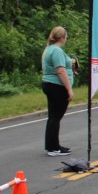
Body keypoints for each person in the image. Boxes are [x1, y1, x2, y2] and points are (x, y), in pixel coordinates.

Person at [42, 26, 75, 156]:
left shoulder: (48, 49)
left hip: (49, 84)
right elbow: (60, 70)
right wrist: (69, 89)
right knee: (56, 117)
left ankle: (52, 145)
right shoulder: (56, 51)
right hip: (57, 86)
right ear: (62, 38)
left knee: (53, 117)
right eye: (66, 37)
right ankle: (54, 148)